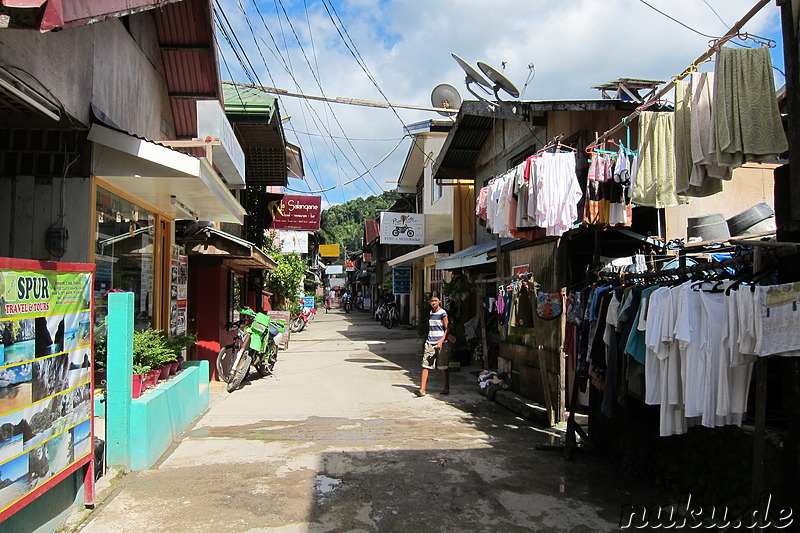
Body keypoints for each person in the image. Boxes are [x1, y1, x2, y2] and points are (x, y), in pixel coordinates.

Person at [415, 294, 450, 397]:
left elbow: (447, 327)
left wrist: (442, 340)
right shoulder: (431, 313)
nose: (433, 303)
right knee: (425, 365)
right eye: (432, 301)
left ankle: (446, 386)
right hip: (430, 342)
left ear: (439, 301)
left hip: (441, 343)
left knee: (443, 366)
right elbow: (436, 327)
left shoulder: (443, 313)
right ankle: (422, 389)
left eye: (435, 301)